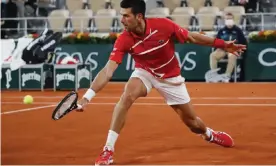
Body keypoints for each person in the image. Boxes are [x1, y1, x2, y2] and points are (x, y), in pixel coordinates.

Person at [77, 0, 246, 165]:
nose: (122, 20)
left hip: (170, 77)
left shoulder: (163, 26)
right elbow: (108, 71)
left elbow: (192, 38)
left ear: (139, 16)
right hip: (145, 72)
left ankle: (209, 134)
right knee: (127, 96)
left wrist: (223, 45)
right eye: (122, 16)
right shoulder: (124, 39)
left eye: (126, 16)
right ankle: (108, 149)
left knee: (193, 123)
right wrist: (87, 97)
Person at [209, 12, 247, 82]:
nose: (229, 20)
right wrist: (217, 48)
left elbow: (243, 42)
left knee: (233, 55)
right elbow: (216, 41)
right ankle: (214, 75)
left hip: (233, 49)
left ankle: (227, 76)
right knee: (213, 55)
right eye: (227, 19)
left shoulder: (238, 30)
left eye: (230, 19)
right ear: (225, 20)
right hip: (222, 49)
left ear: (233, 20)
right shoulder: (221, 31)